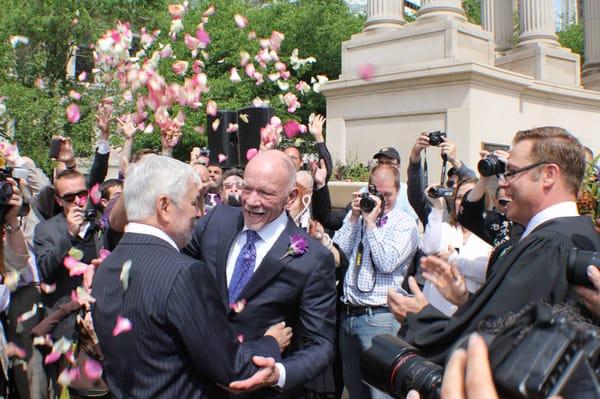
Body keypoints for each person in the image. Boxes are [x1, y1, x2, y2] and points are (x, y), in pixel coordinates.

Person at [398, 126, 600, 365]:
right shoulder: (577, 233)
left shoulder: (547, 246)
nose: (503, 183)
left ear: (549, 175)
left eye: (512, 172)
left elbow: (490, 343)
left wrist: (420, 317)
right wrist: (465, 301)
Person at [92, 155, 289, 398]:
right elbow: (232, 367)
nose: (200, 212)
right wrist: (270, 342)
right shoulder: (184, 273)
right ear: (165, 207)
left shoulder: (107, 266)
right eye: (195, 201)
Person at [184, 150, 336, 397]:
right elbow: (174, 263)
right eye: (247, 188)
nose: (251, 201)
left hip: (259, 390)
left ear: (291, 197)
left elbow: (321, 344)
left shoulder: (314, 259)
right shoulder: (217, 221)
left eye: (265, 193)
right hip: (196, 382)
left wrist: (279, 373)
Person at [333, 164, 419, 399]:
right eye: (376, 193)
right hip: (349, 316)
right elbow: (340, 249)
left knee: (380, 393)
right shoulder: (359, 216)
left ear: (398, 191)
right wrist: (353, 216)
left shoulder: (404, 224)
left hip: (379, 318)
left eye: (387, 195)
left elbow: (387, 262)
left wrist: (371, 224)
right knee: (355, 390)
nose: (381, 200)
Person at [407, 132, 476, 227]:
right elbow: (415, 191)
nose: (455, 186)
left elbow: (473, 182)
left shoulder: (474, 210)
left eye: (459, 183)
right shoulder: (434, 208)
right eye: (451, 183)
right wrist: (415, 155)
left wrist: (454, 160)